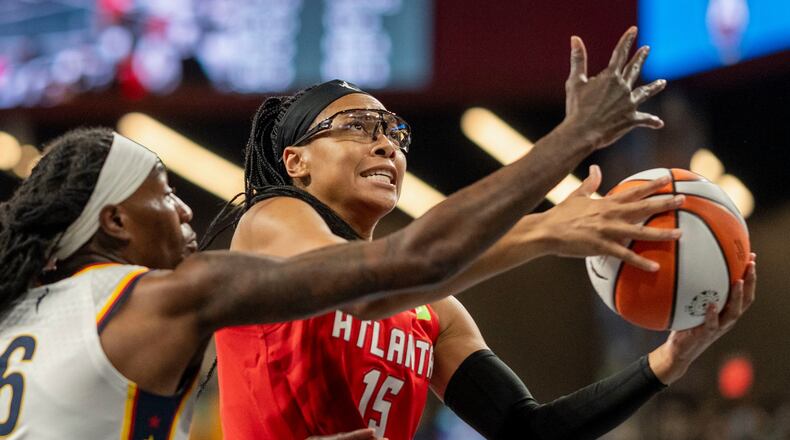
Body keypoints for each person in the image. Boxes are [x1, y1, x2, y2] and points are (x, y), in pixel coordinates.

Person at [214, 27, 757, 439]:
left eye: (394, 133)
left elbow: (527, 430)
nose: (386, 145)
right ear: (296, 162)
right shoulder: (270, 222)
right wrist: (566, 160)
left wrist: (669, 360)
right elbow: (371, 286)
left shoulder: (433, 311)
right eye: (356, 126)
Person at [0, 121, 629, 440]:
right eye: (163, 195)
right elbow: (399, 269)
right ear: (114, 221)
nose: (186, 209)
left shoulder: (17, 316)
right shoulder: (173, 293)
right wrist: (565, 157)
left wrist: (665, 362)